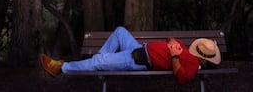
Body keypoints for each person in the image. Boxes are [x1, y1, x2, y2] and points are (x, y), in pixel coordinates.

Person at [40, 26, 221, 85]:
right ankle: (98, 62)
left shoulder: (192, 66)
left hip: (138, 60)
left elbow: (181, 78)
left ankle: (60, 68)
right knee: (120, 31)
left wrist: (174, 56)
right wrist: (172, 40)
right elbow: (169, 42)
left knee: (99, 60)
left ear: (204, 59)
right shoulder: (188, 51)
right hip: (137, 48)